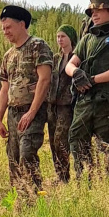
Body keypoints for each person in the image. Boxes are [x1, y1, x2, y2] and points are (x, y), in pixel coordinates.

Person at [66, 0, 109, 177]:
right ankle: (83, 180)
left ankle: (105, 184)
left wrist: (93, 80)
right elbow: (70, 65)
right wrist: (77, 73)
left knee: (105, 146)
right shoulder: (87, 39)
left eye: (99, 9)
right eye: (92, 11)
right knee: (77, 140)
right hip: (85, 101)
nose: (94, 14)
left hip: (107, 102)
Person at [0, 6, 53, 195]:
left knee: (27, 154)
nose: (6, 32)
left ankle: (34, 197)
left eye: (9, 27)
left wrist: (32, 112)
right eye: (3, 29)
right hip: (13, 113)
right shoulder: (8, 55)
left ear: (22, 24)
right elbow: (5, 88)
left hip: (32, 110)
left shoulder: (38, 46)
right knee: (13, 157)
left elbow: (44, 79)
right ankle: (20, 198)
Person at [47, 26, 77, 183]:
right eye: (58, 36)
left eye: (63, 36)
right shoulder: (54, 58)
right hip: (52, 104)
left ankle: (65, 175)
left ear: (70, 37)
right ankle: (60, 175)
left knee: (61, 141)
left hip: (67, 105)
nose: (60, 39)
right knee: (52, 141)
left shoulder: (77, 57)